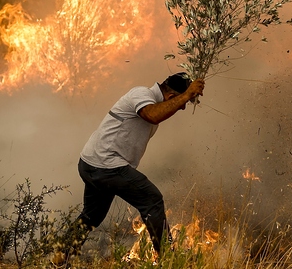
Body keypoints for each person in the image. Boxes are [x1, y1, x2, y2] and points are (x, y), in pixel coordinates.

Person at [55, 72, 205, 265]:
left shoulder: (151, 99)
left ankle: (60, 258)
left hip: (92, 163)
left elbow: (157, 113)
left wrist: (187, 94)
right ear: (171, 97)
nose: (183, 107)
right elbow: (152, 114)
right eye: (181, 102)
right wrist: (187, 95)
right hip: (106, 166)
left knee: (92, 215)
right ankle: (168, 259)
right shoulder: (141, 94)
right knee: (152, 199)